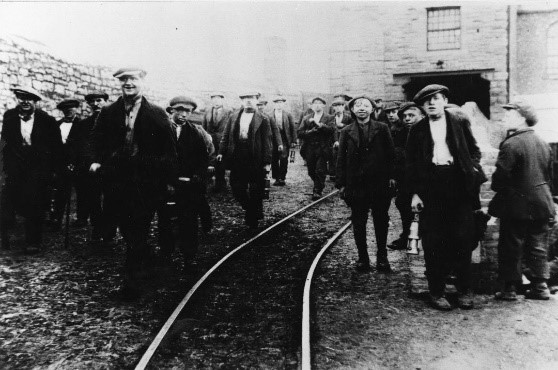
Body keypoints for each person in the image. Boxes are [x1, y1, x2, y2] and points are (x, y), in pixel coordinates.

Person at [87, 67, 177, 298]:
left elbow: (169, 152)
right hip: (116, 181)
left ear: (142, 82)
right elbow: (96, 140)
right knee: (127, 230)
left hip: (145, 183)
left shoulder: (157, 114)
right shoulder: (108, 112)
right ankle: (149, 262)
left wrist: (163, 178)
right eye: (124, 80)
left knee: (137, 230)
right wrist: (97, 161)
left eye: (133, 79)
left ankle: (132, 286)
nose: (128, 83)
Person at [406, 84, 486, 310]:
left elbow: (474, 150)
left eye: (436, 99)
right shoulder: (417, 130)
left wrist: (471, 169)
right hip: (431, 187)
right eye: (427, 101)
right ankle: (436, 291)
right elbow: (410, 164)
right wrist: (414, 193)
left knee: (463, 239)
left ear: (444, 101)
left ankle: (464, 291)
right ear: (422, 106)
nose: (432, 104)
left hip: (459, 186)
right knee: (433, 242)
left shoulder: (459, 122)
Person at [491, 101, 555, 301]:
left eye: (508, 113)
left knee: (511, 245)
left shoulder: (511, 144)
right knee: (538, 245)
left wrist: (500, 192)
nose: (504, 117)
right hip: (543, 202)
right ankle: (540, 287)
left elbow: (500, 178)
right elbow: (549, 174)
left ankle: (509, 289)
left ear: (520, 117)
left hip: (517, 204)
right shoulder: (543, 142)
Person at [336, 95, 395, 272]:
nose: (362, 108)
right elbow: (341, 159)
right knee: (359, 221)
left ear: (372, 109)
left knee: (381, 220)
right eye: (358, 105)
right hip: (356, 184)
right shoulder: (346, 131)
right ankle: (363, 258)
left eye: (366, 105)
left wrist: (392, 176)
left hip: (379, 183)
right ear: (352, 110)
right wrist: (342, 184)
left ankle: (382, 258)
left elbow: (390, 154)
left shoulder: (383, 128)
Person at [1, 87, 62, 253]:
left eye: (29, 98)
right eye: (21, 98)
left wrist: (57, 170)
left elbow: (57, 148)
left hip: (38, 168)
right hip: (15, 166)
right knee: (8, 201)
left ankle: (33, 241)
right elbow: (5, 143)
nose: (25, 101)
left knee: (35, 204)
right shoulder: (9, 117)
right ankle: (4, 241)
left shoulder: (47, 120)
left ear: (35, 101)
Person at [158, 96, 209, 265]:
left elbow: (203, 160)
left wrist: (195, 178)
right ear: (171, 110)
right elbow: (154, 158)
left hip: (188, 186)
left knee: (189, 221)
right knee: (165, 220)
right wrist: (165, 180)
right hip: (165, 185)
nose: (184, 115)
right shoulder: (161, 130)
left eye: (187, 111)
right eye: (180, 110)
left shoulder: (195, 133)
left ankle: (189, 256)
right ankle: (166, 252)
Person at [217, 92, 272, 228]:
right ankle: (250, 209)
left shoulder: (263, 119)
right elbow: (226, 135)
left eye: (251, 98)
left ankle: (252, 219)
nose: (248, 101)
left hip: (255, 157)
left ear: (256, 100)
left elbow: (267, 141)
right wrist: (221, 152)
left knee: (256, 189)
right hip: (237, 155)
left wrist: (267, 162)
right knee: (236, 187)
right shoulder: (234, 116)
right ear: (241, 101)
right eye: (245, 98)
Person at [388, 102, 425, 251]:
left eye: (411, 115)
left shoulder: (428, 131)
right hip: (406, 178)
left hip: (426, 178)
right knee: (403, 204)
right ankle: (407, 237)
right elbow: (393, 155)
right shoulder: (400, 132)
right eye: (405, 116)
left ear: (422, 116)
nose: (408, 119)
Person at [81, 91, 117, 244]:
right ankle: (97, 228)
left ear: (105, 102)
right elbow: (83, 146)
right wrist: (91, 162)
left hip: (111, 167)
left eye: (99, 100)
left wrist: (108, 163)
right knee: (93, 200)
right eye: (92, 102)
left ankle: (109, 232)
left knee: (111, 200)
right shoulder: (83, 125)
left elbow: (118, 145)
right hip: (92, 168)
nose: (96, 104)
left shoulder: (115, 122)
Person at [49, 99, 84, 230]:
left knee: (81, 191)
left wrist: (75, 162)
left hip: (78, 163)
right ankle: (57, 219)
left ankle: (81, 218)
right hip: (61, 164)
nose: (68, 111)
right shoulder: (57, 125)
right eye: (65, 109)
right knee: (61, 191)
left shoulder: (82, 125)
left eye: (71, 108)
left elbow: (83, 146)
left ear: (76, 109)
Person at [298, 97, 335, 200]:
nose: (317, 105)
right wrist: (309, 132)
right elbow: (300, 133)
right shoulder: (306, 118)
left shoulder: (329, 117)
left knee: (320, 169)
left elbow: (331, 130)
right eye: (315, 103)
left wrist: (320, 125)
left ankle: (317, 190)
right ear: (312, 106)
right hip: (309, 148)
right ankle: (319, 184)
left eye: (319, 103)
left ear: (324, 105)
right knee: (311, 170)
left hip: (323, 148)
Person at [202, 92, 231, 192]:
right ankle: (209, 183)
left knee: (221, 162)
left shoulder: (228, 112)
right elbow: (204, 127)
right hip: (210, 141)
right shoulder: (207, 112)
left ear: (222, 100)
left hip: (222, 141)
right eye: (213, 99)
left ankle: (220, 183)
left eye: (218, 99)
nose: (216, 101)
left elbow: (230, 128)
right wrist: (206, 137)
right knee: (210, 160)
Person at [270, 95, 295, 186]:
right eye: (277, 103)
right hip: (273, 140)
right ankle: (276, 178)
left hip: (285, 138)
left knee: (284, 158)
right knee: (274, 159)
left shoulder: (287, 114)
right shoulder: (270, 115)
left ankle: (282, 178)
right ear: (274, 104)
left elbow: (292, 128)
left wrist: (293, 141)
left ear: (283, 104)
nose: (279, 105)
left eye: (280, 103)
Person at [330, 96, 351, 181]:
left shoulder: (348, 117)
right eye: (336, 106)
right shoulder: (330, 117)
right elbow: (331, 130)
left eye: (340, 106)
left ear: (343, 107)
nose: (338, 108)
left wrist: (343, 126)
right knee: (334, 156)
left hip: (346, 139)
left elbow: (352, 128)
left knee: (345, 156)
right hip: (334, 140)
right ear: (334, 108)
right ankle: (334, 174)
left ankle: (345, 174)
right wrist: (335, 140)